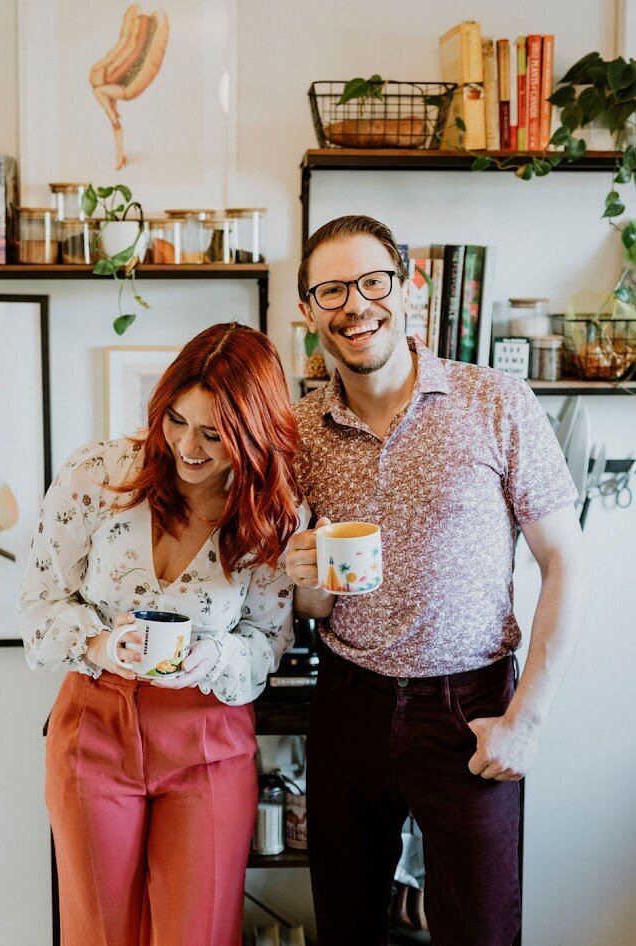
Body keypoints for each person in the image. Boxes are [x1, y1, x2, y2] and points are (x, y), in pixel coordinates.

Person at [286, 216, 585, 946]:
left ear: (406, 286)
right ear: (308, 311)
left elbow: (565, 564)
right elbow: (316, 605)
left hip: (470, 706)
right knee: (347, 929)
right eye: (331, 290)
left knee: (479, 932)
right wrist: (304, 576)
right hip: (348, 701)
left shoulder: (495, 402)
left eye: (371, 281)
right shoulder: (298, 431)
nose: (355, 305)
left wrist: (527, 721)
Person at [18, 322, 305, 946]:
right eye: (176, 420)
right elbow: (40, 604)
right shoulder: (98, 473)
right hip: (94, 726)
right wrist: (97, 643)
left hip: (207, 738)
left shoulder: (271, 513)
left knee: (197, 935)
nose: (187, 447)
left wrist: (215, 655)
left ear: (253, 435)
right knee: (97, 934)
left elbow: (267, 638)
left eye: (214, 433)